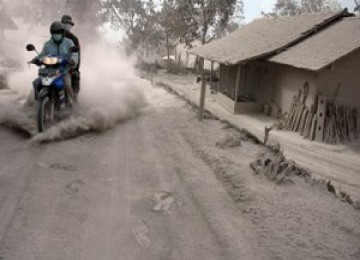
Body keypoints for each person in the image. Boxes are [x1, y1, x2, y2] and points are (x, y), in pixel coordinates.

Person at [33, 21, 78, 106]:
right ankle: (35, 103)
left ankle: (70, 105)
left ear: (62, 32)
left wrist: (72, 60)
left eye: (58, 32)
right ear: (51, 33)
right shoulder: (47, 44)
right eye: (54, 32)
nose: (56, 34)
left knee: (68, 85)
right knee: (37, 83)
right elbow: (42, 54)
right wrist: (36, 59)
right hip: (49, 71)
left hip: (64, 71)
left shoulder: (69, 43)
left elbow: (75, 54)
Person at [61, 14, 81, 101]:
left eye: (68, 23)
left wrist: (74, 66)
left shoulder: (74, 39)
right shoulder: (56, 36)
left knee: (75, 75)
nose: (66, 25)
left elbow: (77, 55)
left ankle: (73, 100)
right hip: (56, 63)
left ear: (71, 26)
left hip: (69, 64)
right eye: (64, 23)